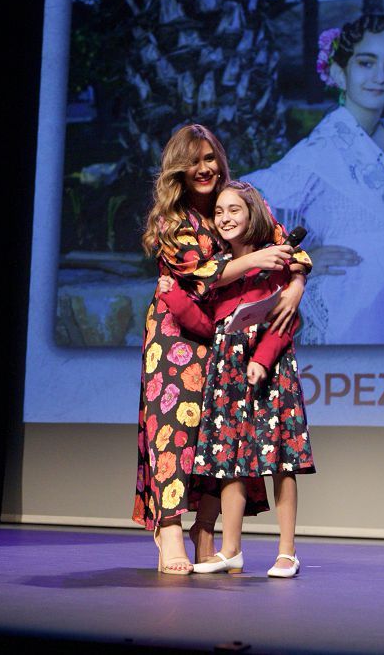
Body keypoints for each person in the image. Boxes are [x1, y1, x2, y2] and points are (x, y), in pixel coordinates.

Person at [134, 124, 309, 575]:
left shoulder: (240, 199)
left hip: (233, 336)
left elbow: (288, 248)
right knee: (174, 430)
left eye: (210, 158)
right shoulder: (172, 221)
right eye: (194, 160)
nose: (204, 168)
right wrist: (252, 261)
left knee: (218, 436)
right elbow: (200, 274)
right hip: (179, 334)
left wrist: (295, 287)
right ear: (178, 168)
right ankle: (169, 530)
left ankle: (206, 530)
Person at [242, 14, 384, 344]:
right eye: (365, 62)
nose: (379, 76)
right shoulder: (320, 152)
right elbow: (237, 205)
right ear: (338, 71)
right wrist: (296, 258)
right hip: (353, 302)